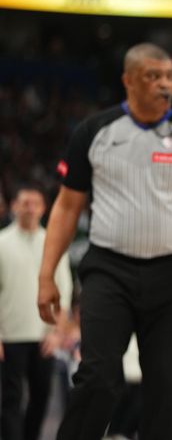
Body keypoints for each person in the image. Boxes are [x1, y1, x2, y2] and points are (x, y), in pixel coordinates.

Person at [37, 43, 172, 440]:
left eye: (169, 77)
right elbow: (65, 207)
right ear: (128, 80)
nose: (164, 84)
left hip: (171, 274)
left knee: (165, 386)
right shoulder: (94, 132)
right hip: (108, 271)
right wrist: (47, 276)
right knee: (97, 378)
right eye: (153, 76)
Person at [0, 186, 72, 440]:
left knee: (41, 397)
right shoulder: (1, 243)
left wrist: (57, 332)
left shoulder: (53, 242)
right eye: (24, 203)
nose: (30, 208)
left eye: (35, 203)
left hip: (44, 335)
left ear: (44, 209)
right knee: (9, 398)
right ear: (14, 207)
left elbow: (65, 289)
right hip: (10, 336)